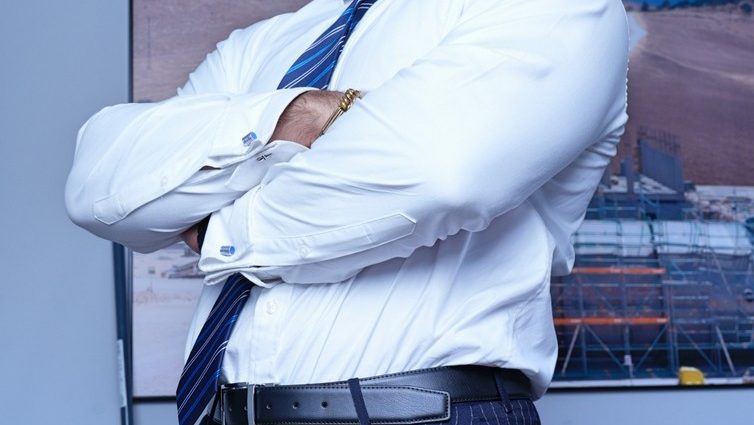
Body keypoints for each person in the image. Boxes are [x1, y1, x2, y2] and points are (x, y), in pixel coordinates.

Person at [65, 0, 630, 424]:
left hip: (423, 413)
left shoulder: (555, 7)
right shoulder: (257, 45)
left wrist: (222, 228)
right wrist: (297, 112)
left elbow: (439, 174)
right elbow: (102, 186)